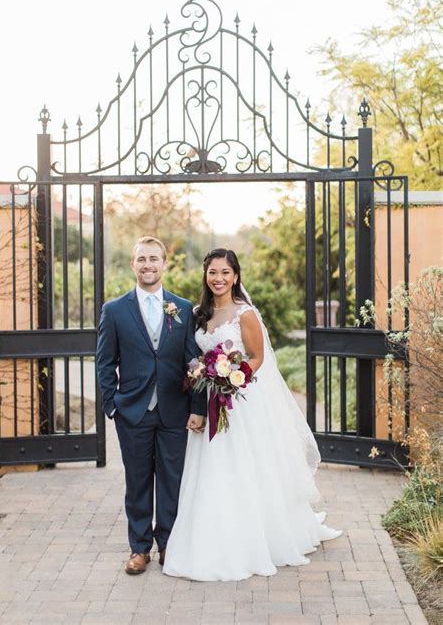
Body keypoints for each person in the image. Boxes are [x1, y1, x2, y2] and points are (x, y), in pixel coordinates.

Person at [163, 248, 342, 581]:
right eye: (213, 272)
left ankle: (258, 537)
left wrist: (231, 375)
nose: (219, 279)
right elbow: (192, 356)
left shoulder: (245, 313)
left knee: (247, 466)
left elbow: (258, 357)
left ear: (236, 276)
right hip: (209, 398)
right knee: (212, 469)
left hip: (241, 400)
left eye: (225, 272)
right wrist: (205, 375)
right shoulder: (198, 313)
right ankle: (213, 535)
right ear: (205, 275)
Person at [96, 236, 207, 575]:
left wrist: (197, 407)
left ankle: (169, 545)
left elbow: (195, 360)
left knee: (172, 480)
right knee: (138, 481)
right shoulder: (114, 310)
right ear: (133, 264)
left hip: (174, 410)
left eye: (154, 259)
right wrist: (112, 405)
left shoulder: (184, 308)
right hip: (133, 412)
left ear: (164, 263)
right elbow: (104, 362)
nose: (148, 265)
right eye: (141, 259)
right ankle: (139, 549)